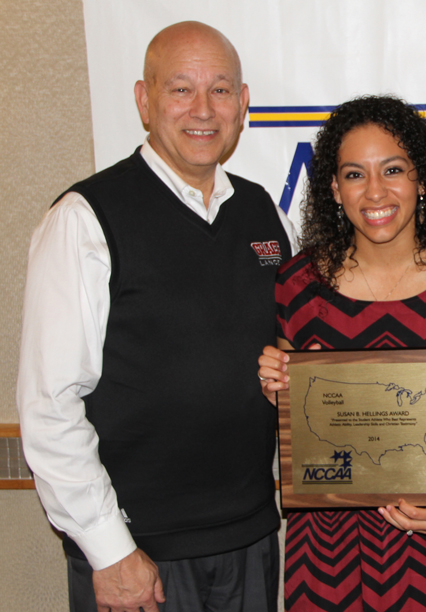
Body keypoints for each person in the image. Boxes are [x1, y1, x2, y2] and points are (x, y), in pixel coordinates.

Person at [16, 21, 294, 612]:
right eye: (180, 89)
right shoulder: (86, 217)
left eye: (221, 90)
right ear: (145, 101)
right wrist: (110, 550)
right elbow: (49, 403)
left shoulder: (262, 212)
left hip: (249, 536)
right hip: (139, 552)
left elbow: (295, 355)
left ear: (243, 104)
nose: (203, 109)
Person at [257, 95, 426, 611]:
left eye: (393, 169)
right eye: (353, 174)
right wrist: (277, 385)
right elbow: (297, 423)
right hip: (328, 557)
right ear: (333, 188)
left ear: (423, 179)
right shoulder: (297, 285)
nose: (375, 191)